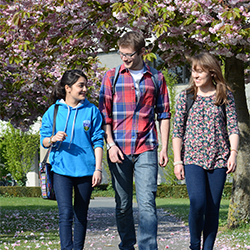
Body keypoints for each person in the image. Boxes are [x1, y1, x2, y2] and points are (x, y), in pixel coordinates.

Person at [99, 31, 171, 250]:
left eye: (129, 54)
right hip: (118, 149)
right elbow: (105, 114)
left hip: (146, 147)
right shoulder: (112, 76)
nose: (125, 58)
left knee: (147, 204)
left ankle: (149, 248)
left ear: (142, 52)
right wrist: (110, 144)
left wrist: (164, 149)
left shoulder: (157, 78)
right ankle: (127, 246)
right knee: (122, 205)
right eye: (122, 54)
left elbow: (164, 114)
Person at [172, 52, 239, 250]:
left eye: (199, 71)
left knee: (213, 207)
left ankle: (208, 247)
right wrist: (177, 160)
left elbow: (233, 127)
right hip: (192, 158)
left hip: (219, 159)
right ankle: (194, 245)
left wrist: (233, 153)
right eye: (193, 71)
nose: (195, 75)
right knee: (198, 202)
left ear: (211, 72)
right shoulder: (186, 97)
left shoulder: (225, 95)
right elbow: (177, 131)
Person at [40, 69, 104, 250]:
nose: (84, 89)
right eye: (80, 86)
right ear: (68, 88)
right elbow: (44, 139)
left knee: (81, 215)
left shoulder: (92, 110)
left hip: (86, 170)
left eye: (85, 85)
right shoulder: (54, 111)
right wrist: (52, 138)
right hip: (60, 169)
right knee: (65, 213)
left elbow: (98, 140)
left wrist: (98, 169)